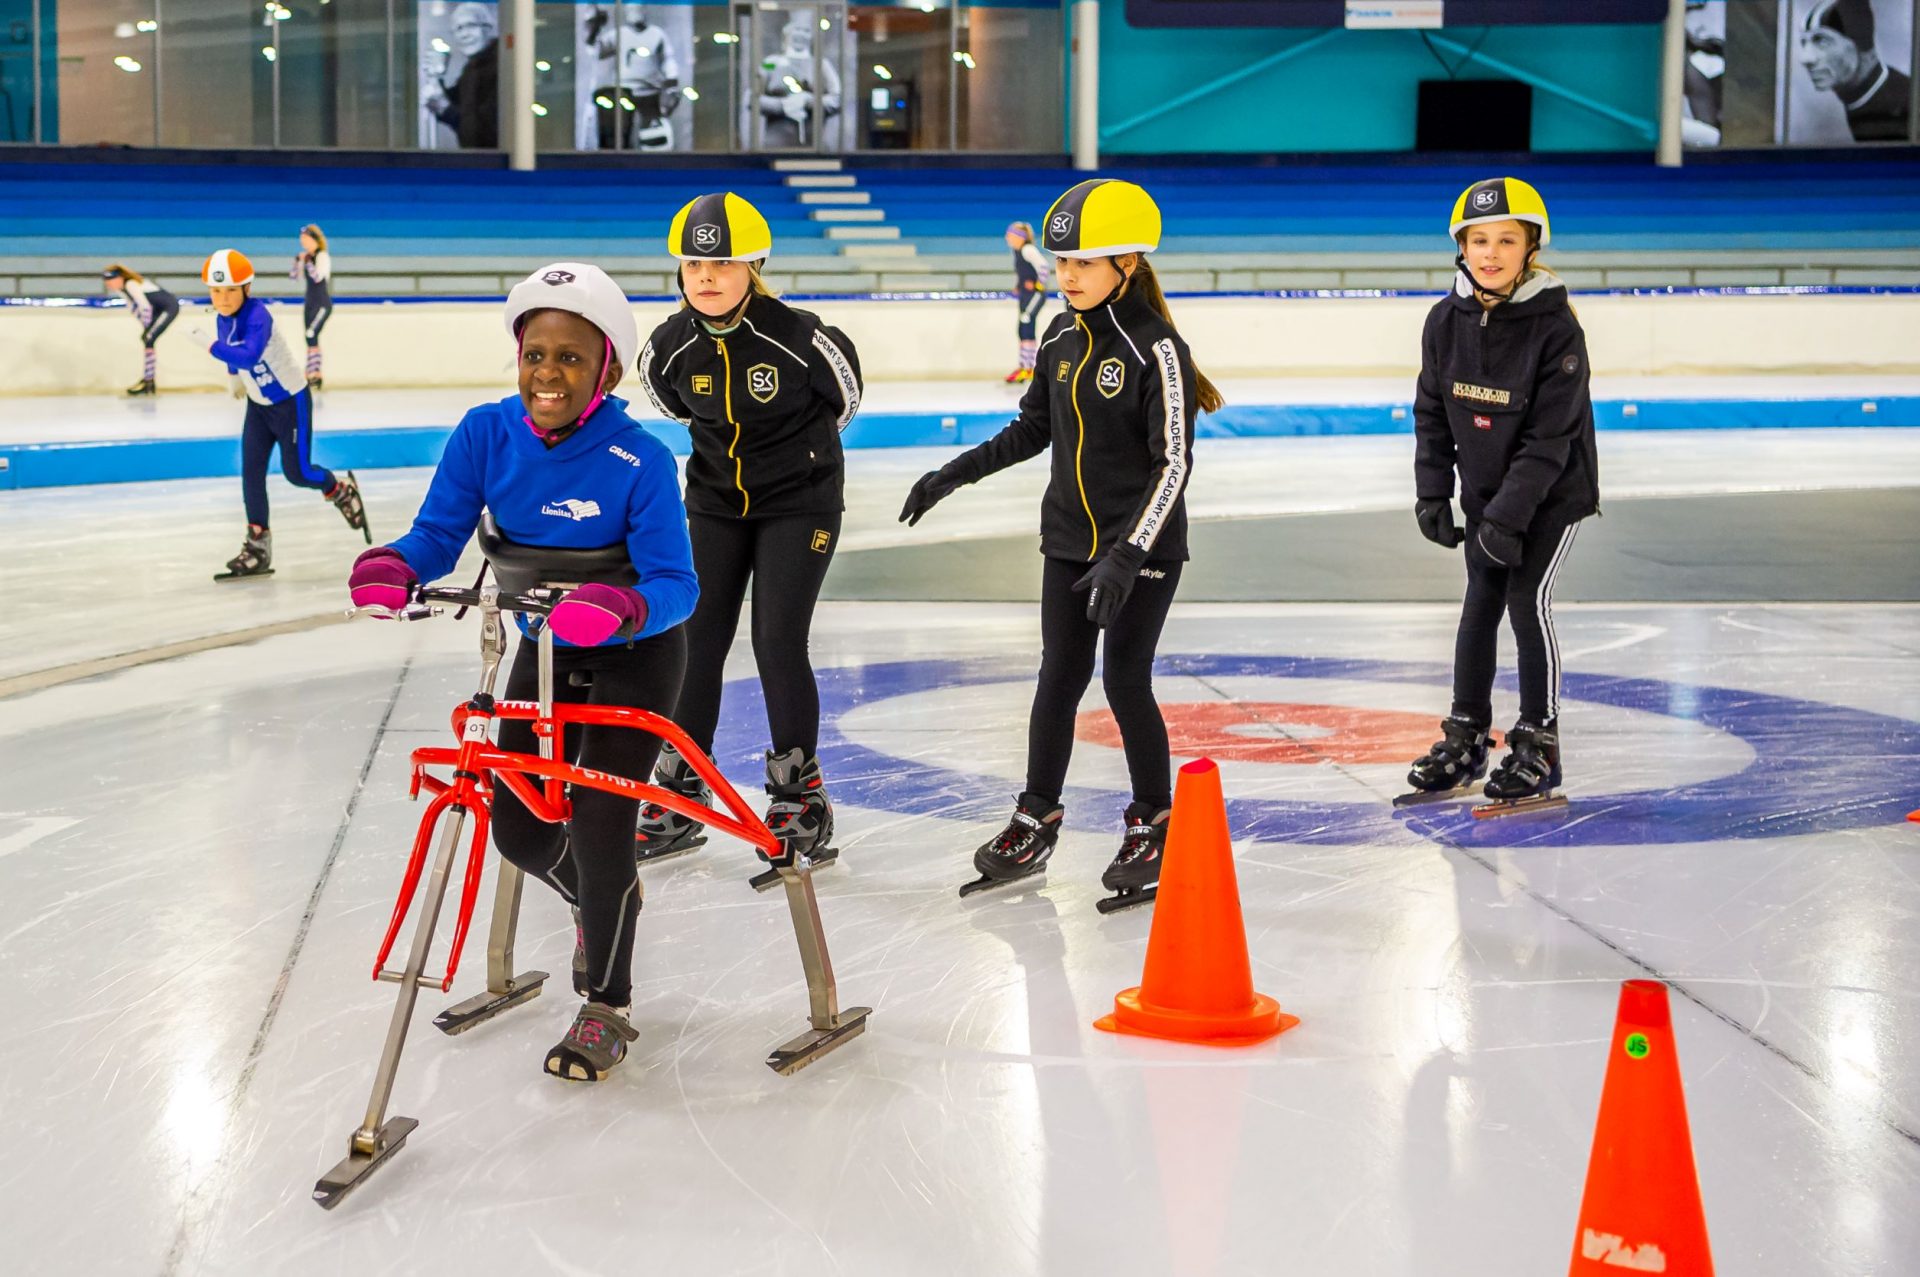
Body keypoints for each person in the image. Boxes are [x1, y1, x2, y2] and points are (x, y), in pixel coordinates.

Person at [348, 263, 699, 1082]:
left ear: (606, 368)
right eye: (534, 354)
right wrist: (396, 562)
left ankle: (607, 1003)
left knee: (601, 821)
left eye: (570, 358)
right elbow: (438, 535)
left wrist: (623, 607)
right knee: (520, 828)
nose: (547, 374)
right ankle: (602, 897)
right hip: (545, 648)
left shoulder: (641, 459)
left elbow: (677, 584)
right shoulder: (484, 433)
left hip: (636, 654)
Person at [897, 178, 1220, 908]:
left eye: (1083, 262)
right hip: (1069, 542)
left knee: (1125, 681)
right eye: (1062, 261)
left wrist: (1128, 555)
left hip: (1143, 550)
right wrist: (955, 473)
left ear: (1127, 264)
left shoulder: (1157, 348)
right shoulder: (1060, 334)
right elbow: (1032, 428)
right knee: (1059, 678)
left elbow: (1173, 464)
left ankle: (1154, 822)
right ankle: (1035, 817)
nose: (1067, 274)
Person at [633, 192, 862, 867]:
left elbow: (845, 401)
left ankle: (800, 797)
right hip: (714, 504)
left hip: (801, 504)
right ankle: (683, 784)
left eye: (723, 264)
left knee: (776, 639)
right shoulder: (668, 347)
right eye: (693, 265)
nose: (706, 277)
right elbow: (671, 405)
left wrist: (796, 460)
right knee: (695, 640)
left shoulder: (803, 337)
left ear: (754, 267)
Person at [1402, 177, 1600, 810]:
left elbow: (1550, 439)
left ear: (1530, 248)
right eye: (1479, 240)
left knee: (1525, 601)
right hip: (1486, 492)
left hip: (1551, 494)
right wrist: (1433, 492)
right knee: (1479, 601)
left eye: (1506, 241)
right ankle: (1466, 737)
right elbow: (1433, 411)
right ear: (1462, 247)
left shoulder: (1556, 328)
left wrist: (1509, 519)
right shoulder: (1445, 321)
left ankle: (1540, 743)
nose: (1491, 253)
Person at [198, 248, 367, 580]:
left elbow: (248, 354)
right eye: (216, 291)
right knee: (251, 472)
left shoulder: (258, 315)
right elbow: (231, 349)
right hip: (258, 406)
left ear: (247, 288)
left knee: (298, 472)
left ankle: (338, 488)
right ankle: (257, 547)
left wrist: (210, 347)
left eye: (230, 290)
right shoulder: (222, 317)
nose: (223, 298)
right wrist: (232, 375)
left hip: (290, 403)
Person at [1797, 0, 1911, 143]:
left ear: (1861, 44)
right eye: (1804, 43)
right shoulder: (1859, 97)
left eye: (1822, 41)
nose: (1805, 58)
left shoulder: (1908, 102)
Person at [581, 4, 682, 150]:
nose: (636, 13)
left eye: (639, 9)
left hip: (650, 93)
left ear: (645, 10)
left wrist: (672, 81)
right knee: (622, 133)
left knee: (650, 135)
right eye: (632, 10)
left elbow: (668, 59)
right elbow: (597, 51)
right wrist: (593, 30)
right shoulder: (619, 34)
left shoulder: (657, 34)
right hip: (624, 93)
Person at [753, 12, 840, 148]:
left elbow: (837, 99)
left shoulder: (822, 65)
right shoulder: (770, 63)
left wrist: (808, 101)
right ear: (787, 33)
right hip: (775, 144)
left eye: (806, 31)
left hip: (814, 144)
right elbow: (752, 97)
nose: (800, 35)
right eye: (797, 29)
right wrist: (782, 105)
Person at [424, 2, 501, 149]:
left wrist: (446, 109)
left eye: (470, 25)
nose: (464, 34)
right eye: (458, 29)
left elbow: (484, 131)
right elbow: (456, 102)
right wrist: (437, 76)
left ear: (488, 28)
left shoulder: (502, 66)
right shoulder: (473, 67)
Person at [101, 264, 179, 396]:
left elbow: (145, 307)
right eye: (106, 281)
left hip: (168, 307)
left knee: (148, 338)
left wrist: (147, 328)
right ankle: (149, 381)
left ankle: (148, 381)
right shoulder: (122, 290)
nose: (108, 284)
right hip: (157, 310)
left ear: (120, 278)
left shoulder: (130, 284)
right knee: (147, 339)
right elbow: (133, 309)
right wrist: (146, 327)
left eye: (111, 280)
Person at [1004, 221, 1052, 384]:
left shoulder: (1027, 250)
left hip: (1034, 296)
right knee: (1024, 330)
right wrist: (1019, 286)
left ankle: (1028, 368)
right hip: (1026, 295)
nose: (1007, 237)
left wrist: (1039, 285)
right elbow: (1024, 272)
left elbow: (1044, 266)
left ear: (1020, 237)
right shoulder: (1018, 252)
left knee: (1026, 327)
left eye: (1010, 234)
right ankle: (1025, 366)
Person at [290, 224, 332, 389]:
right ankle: (312, 374)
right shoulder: (307, 257)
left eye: (305, 238)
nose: (303, 242)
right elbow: (294, 278)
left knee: (311, 334)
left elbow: (318, 277)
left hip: (322, 303)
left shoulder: (322, 256)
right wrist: (297, 261)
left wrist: (307, 262)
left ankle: (314, 373)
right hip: (310, 303)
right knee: (310, 339)